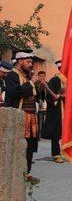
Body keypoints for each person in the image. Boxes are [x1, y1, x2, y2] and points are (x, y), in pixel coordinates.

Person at [4, 49, 45, 182]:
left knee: (30, 145)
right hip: (20, 115)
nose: (30, 64)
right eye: (28, 61)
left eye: (31, 61)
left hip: (31, 116)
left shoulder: (26, 75)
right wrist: (32, 83)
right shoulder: (12, 75)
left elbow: (33, 95)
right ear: (20, 61)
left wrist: (37, 86)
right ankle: (17, 173)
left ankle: (26, 172)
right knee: (19, 145)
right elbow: (15, 92)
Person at [42, 60, 66, 164]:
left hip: (67, 109)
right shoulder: (55, 80)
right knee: (56, 133)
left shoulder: (69, 80)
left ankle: (67, 152)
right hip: (58, 110)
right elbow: (49, 97)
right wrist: (60, 97)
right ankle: (56, 154)